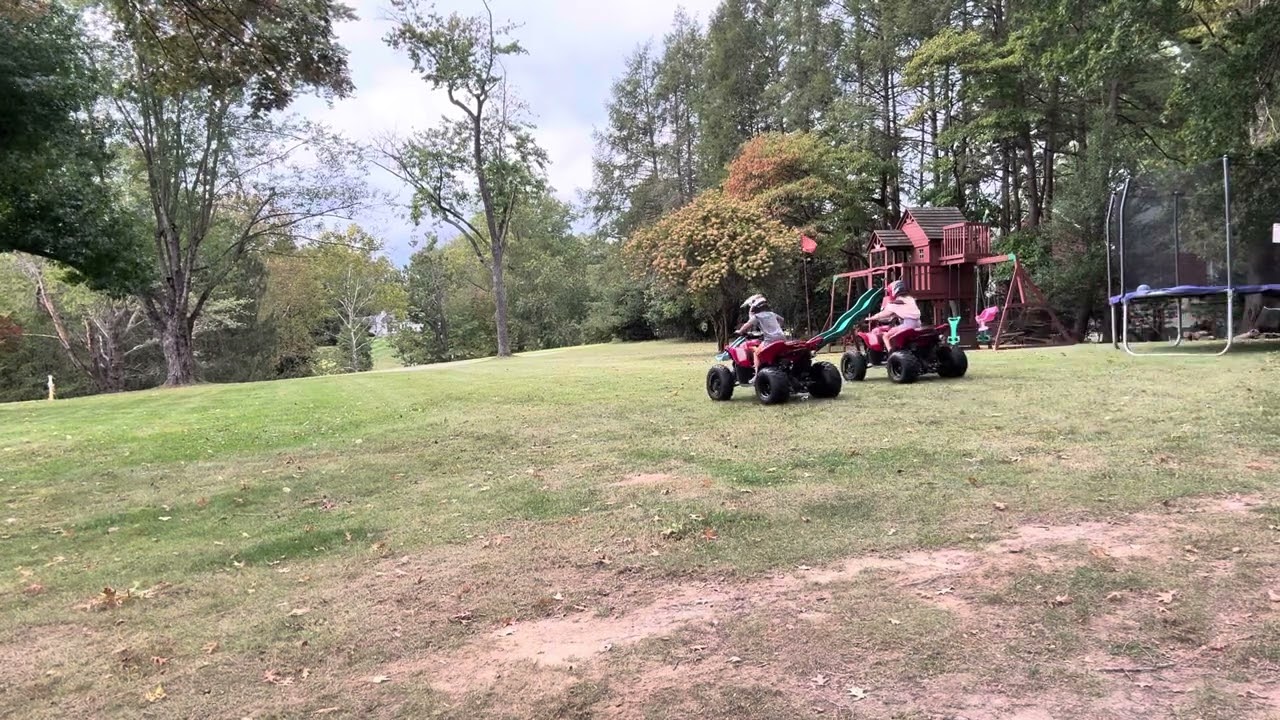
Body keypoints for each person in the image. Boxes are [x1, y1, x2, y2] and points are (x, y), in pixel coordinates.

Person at [737, 294, 786, 380]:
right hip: (782, 338)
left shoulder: (757, 317)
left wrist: (740, 331)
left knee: (756, 353)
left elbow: (746, 325)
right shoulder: (772, 314)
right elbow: (782, 320)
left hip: (770, 340)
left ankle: (756, 375)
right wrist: (779, 327)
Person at [867, 279, 921, 352]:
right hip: (918, 323)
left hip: (907, 325)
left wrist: (871, 318)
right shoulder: (911, 299)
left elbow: (883, 314)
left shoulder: (894, 303)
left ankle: (891, 353)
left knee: (886, 336)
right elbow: (905, 312)